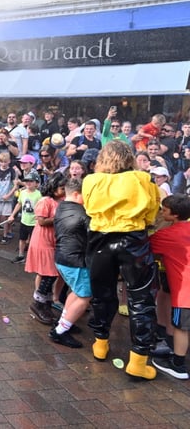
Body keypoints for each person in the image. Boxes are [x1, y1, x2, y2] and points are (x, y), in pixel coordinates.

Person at [83, 140, 161, 380]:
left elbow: (88, 208)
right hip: (133, 241)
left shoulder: (91, 180)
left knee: (102, 294)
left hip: (99, 241)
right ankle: (138, 360)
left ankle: (100, 344)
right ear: (130, 158)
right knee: (141, 299)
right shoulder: (142, 179)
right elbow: (151, 213)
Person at [149, 194, 190, 379]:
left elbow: (146, 248)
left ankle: (178, 364)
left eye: (164, 210)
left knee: (181, 327)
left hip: (184, 290)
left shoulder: (166, 235)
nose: (161, 212)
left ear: (174, 215)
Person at [49, 178, 91, 349]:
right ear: (76, 194)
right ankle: (60, 332)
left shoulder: (62, 207)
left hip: (62, 258)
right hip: (75, 261)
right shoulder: (81, 213)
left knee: (75, 291)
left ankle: (65, 321)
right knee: (84, 296)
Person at [25, 172, 67, 326]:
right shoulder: (46, 201)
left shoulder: (62, 201)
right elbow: (41, 221)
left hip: (54, 241)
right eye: (62, 188)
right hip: (43, 240)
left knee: (51, 274)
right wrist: (61, 218)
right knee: (49, 274)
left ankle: (45, 304)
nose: (64, 191)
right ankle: (38, 303)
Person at [8, 173, 43, 264]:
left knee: (33, 241)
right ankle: (21, 255)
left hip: (34, 223)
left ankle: (32, 258)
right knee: (22, 239)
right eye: (26, 181)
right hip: (24, 221)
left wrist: (39, 216)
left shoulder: (39, 195)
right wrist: (12, 215)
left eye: (31, 181)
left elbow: (42, 207)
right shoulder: (22, 193)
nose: (28, 183)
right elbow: (19, 204)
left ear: (37, 183)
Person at [0, 151, 18, 244]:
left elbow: (15, 185)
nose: (3, 164)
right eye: (1, 162)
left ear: (9, 161)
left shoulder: (11, 171)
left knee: (6, 218)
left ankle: (5, 235)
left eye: (5, 162)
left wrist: (9, 195)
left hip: (6, 198)